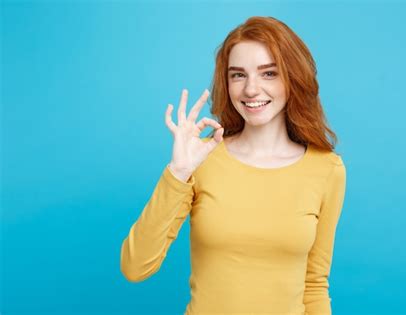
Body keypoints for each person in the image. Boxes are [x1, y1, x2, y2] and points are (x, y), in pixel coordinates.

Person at [121, 16, 347, 315]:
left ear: (293, 77)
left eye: (268, 73)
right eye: (238, 75)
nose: (251, 89)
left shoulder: (326, 169)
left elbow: (315, 285)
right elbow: (135, 267)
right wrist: (178, 173)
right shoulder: (202, 158)